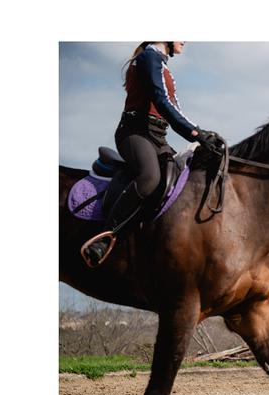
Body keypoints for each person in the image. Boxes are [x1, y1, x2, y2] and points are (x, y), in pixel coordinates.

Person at [82, 41, 222, 267]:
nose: (185, 40)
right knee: (150, 178)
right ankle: (104, 237)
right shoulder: (150, 58)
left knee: (181, 178)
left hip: (157, 136)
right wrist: (195, 133)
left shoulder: (163, 66)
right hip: (134, 133)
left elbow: (175, 108)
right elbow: (161, 100)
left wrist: (202, 134)